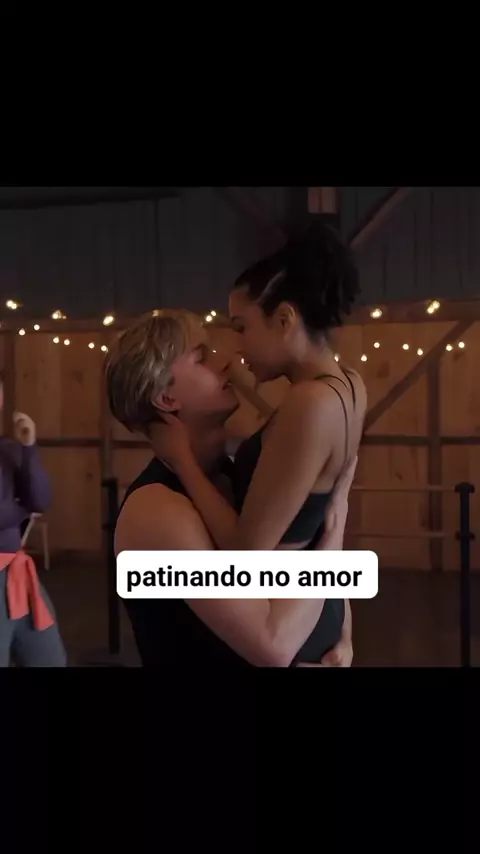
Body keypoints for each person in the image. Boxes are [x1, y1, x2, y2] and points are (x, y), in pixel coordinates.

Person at [147, 220, 367, 665]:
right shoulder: (349, 386)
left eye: (242, 328)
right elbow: (289, 441)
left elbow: (245, 555)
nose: (237, 348)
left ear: (284, 319)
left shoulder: (309, 404)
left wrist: (182, 460)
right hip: (317, 605)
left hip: (290, 618)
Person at [108, 308, 356, 668]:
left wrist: (342, 640)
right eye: (201, 358)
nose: (225, 362)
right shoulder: (157, 511)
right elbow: (273, 647)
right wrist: (334, 530)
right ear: (166, 398)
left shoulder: (229, 475)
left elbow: (298, 564)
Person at [0, 371, 66, 666]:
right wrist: (23, 509)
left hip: (18, 574)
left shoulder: (8, 449)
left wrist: (28, 447)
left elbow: (41, 500)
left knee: (50, 659)